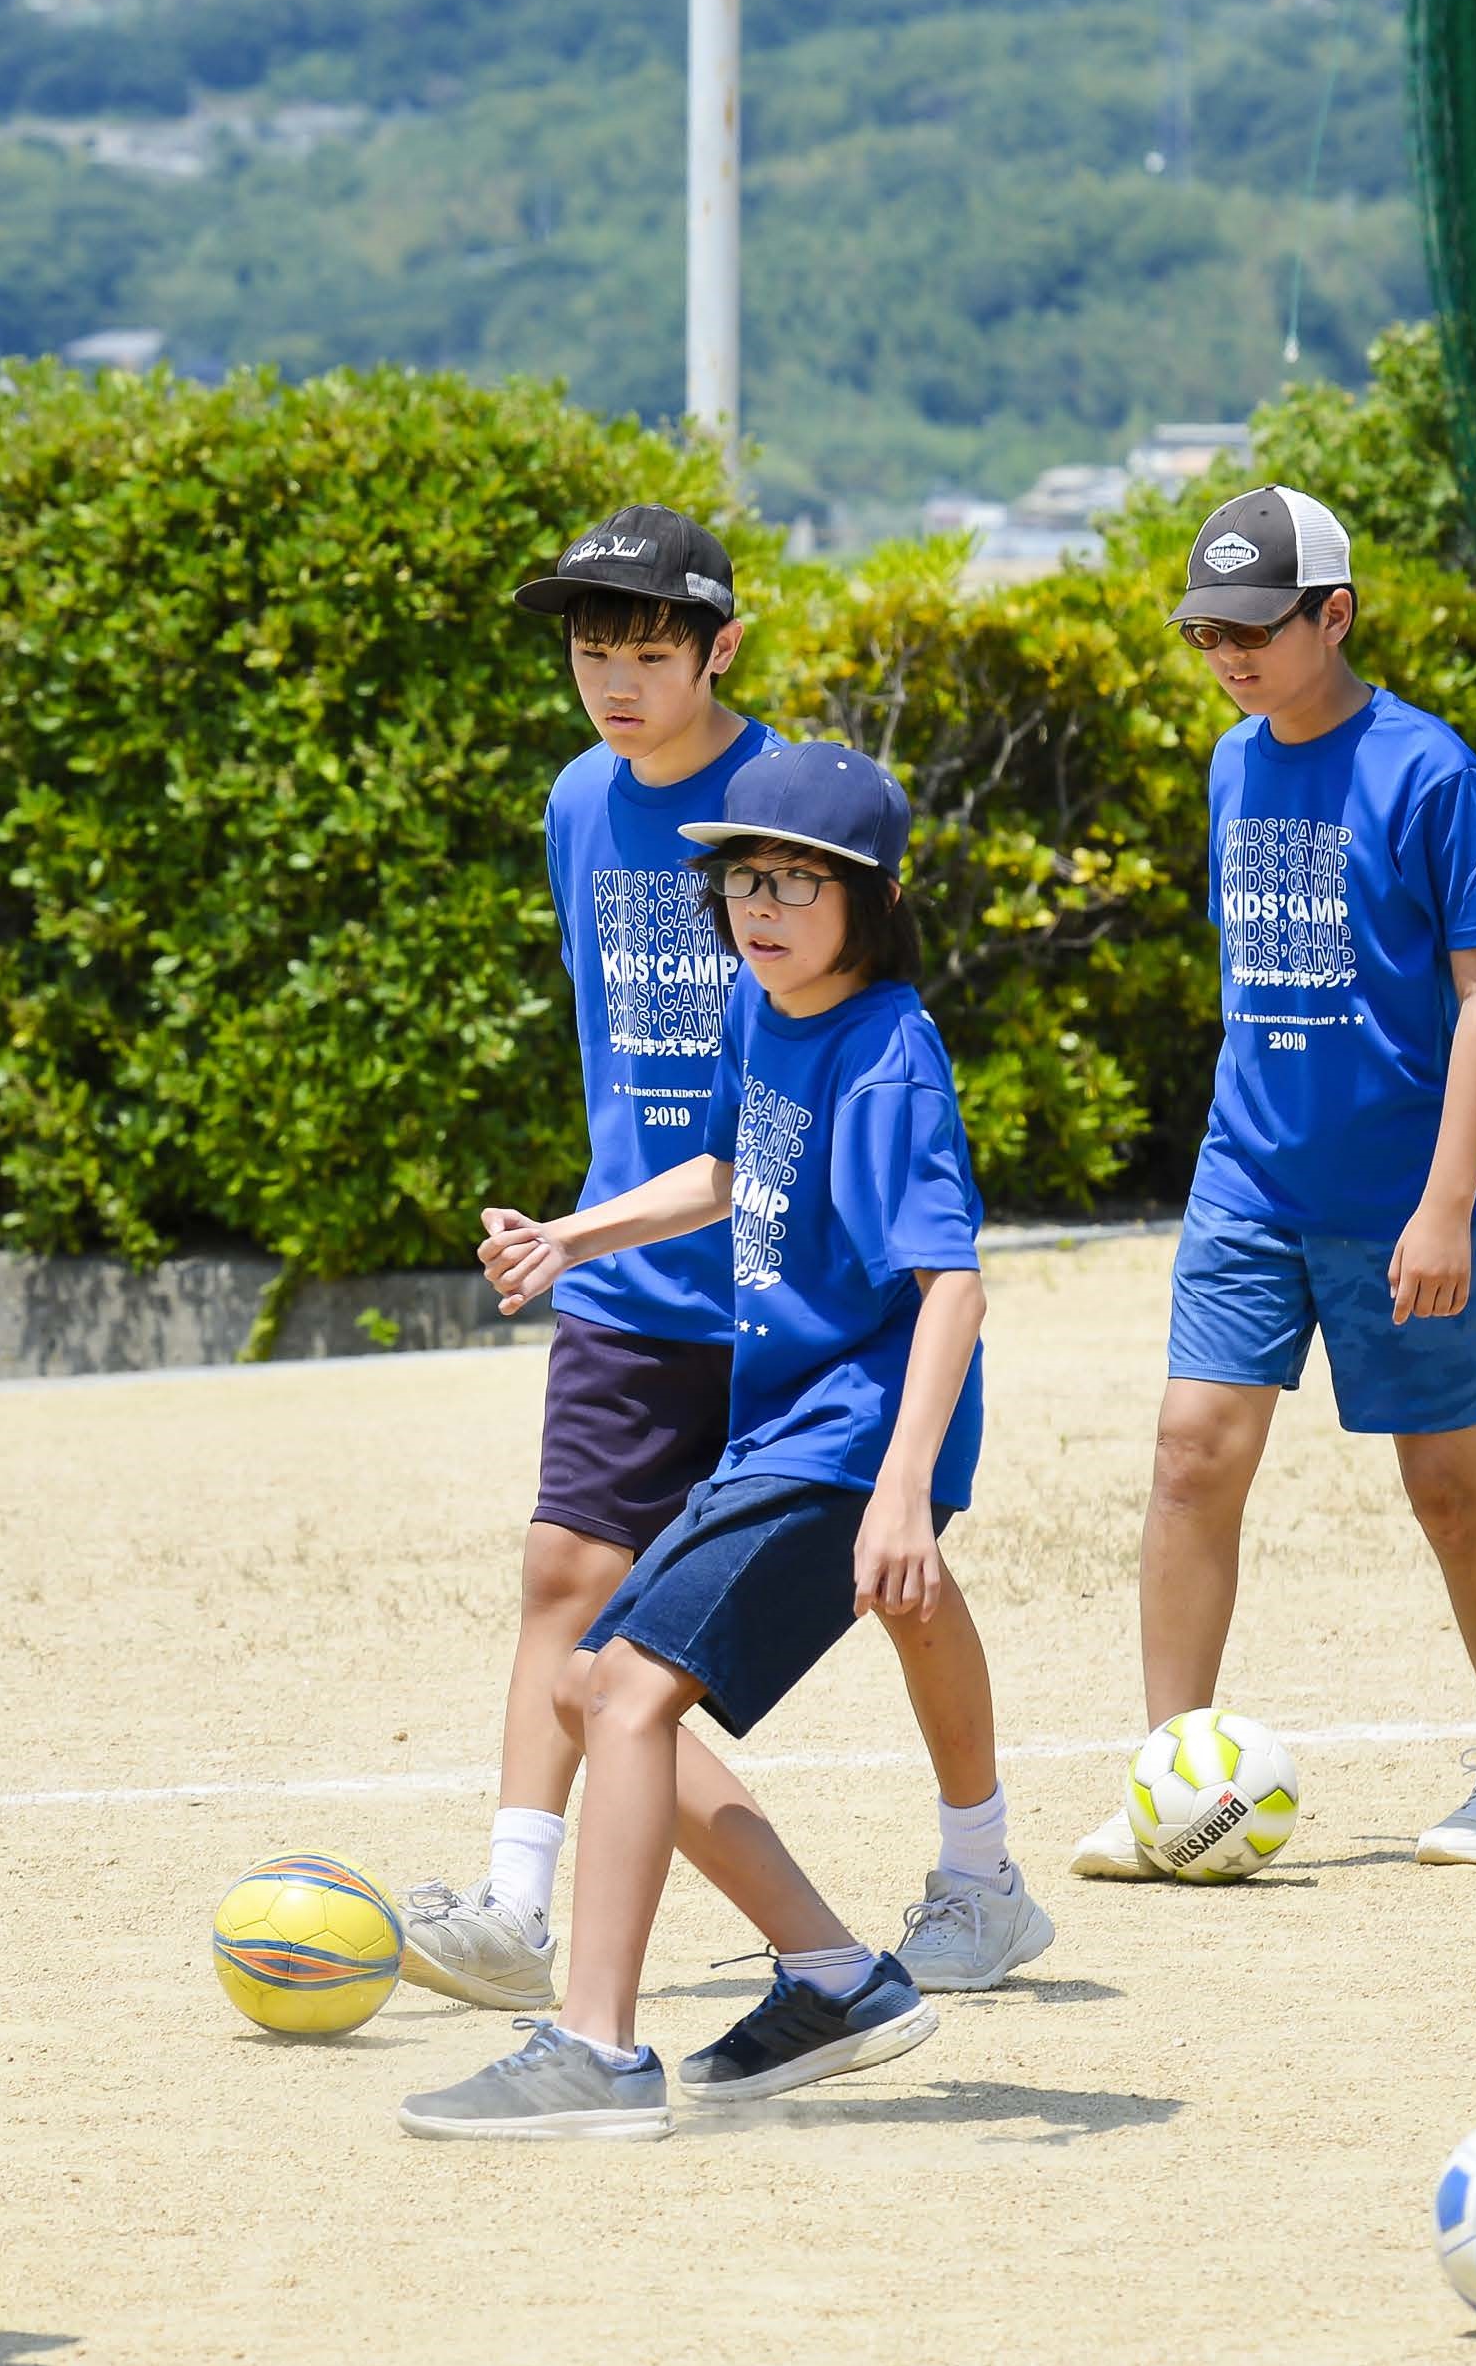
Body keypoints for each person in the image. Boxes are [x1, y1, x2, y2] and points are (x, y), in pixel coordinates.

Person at [398, 507, 1048, 2017]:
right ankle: (521, 1902)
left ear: (719, 649)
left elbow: (927, 1232)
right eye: (588, 655)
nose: (614, 684)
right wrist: (578, 1229)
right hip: (658, 1269)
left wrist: (902, 1472)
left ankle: (971, 1875)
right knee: (577, 1597)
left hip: (813, 1332)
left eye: (646, 654)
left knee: (888, 1588)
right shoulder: (584, 808)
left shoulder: (796, 830)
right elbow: (664, 1095)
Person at [1070, 485, 1476, 1878]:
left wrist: (1444, 1199)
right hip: (1249, 1183)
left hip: (1402, 1197)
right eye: (1203, 630)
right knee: (1188, 1459)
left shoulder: (1429, 771)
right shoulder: (1233, 763)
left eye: (1250, 627)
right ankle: (1173, 1782)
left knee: (1451, 1492)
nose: (1225, 653)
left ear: (1330, 616)